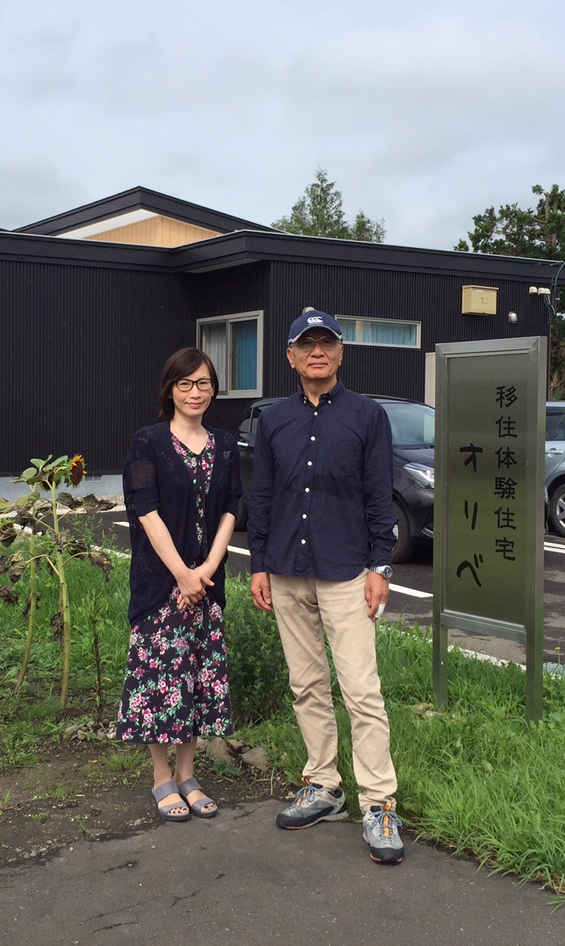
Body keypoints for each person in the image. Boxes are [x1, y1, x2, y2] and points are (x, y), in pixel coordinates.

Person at [247, 308, 404, 865]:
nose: (317, 351)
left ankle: (380, 802)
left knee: (362, 691)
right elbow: (261, 495)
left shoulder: (367, 416)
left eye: (327, 343)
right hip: (287, 570)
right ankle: (324, 784)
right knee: (306, 684)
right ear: (289, 356)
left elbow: (379, 497)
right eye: (305, 344)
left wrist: (379, 567)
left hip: (347, 572)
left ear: (341, 353)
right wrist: (258, 564)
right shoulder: (273, 420)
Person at [116, 346, 241, 823]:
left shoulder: (225, 445)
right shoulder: (148, 441)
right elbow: (145, 510)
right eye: (185, 384)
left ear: (214, 389)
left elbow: (232, 507)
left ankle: (188, 775)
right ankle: (161, 778)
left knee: (194, 681)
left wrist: (207, 568)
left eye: (204, 383)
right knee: (158, 684)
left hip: (205, 585)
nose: (195, 392)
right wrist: (182, 575)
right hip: (161, 585)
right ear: (169, 389)